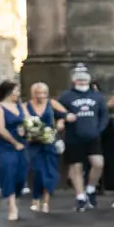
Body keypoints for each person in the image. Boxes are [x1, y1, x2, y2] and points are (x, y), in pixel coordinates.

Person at [57, 64, 111, 210]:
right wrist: (64, 117)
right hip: (74, 136)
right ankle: (80, 196)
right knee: (76, 167)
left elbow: (104, 115)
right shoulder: (66, 96)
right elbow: (56, 109)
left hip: (93, 136)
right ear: (74, 80)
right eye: (79, 80)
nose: (81, 82)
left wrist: (99, 129)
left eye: (84, 80)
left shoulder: (97, 96)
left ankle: (91, 188)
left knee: (98, 163)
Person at [0, 82, 29, 222]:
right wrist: (14, 143)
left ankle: (15, 194)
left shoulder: (21, 106)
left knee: (21, 175)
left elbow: (29, 121)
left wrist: (27, 130)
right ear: (9, 92)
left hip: (22, 143)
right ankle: (12, 205)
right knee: (9, 171)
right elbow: (0, 129)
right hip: (6, 145)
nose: (18, 93)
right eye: (16, 91)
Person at [22, 82, 64, 214]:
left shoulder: (51, 103)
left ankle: (46, 200)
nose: (41, 96)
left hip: (49, 143)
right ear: (33, 94)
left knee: (50, 173)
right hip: (33, 144)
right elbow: (22, 120)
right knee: (36, 172)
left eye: (43, 93)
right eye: (38, 93)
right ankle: (36, 198)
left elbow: (65, 114)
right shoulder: (25, 106)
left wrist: (61, 122)